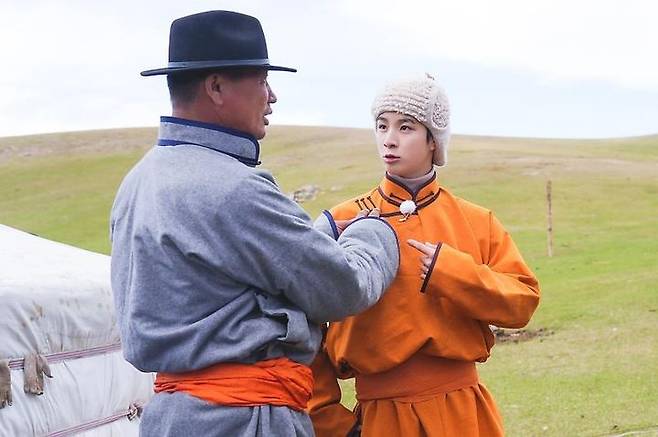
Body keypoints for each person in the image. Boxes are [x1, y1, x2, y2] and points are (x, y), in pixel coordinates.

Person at [109, 11, 399, 437]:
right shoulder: (232, 188)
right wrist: (374, 232)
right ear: (216, 86)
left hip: (173, 419)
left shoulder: (138, 182)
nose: (272, 96)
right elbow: (342, 287)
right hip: (244, 422)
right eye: (262, 80)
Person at [308, 74, 541, 436]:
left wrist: (452, 272)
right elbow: (300, 322)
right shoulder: (340, 222)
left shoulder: (477, 222)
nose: (389, 139)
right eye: (382, 126)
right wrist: (328, 420)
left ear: (433, 139)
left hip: (462, 414)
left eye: (406, 127)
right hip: (378, 420)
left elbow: (523, 302)